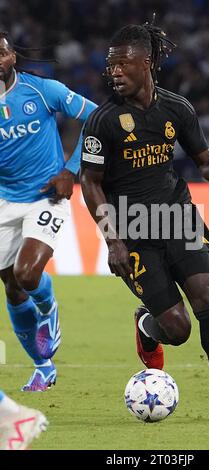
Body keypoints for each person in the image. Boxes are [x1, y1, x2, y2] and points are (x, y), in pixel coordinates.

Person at [80, 22, 209, 422]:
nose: (115, 72)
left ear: (149, 63)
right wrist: (113, 241)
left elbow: (203, 161)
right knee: (177, 329)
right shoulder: (103, 121)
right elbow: (90, 183)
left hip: (177, 217)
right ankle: (147, 323)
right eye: (111, 66)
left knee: (206, 297)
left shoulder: (178, 108)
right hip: (134, 231)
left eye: (123, 63)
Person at [0, 32, 97, 391]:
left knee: (27, 274)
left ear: (13, 57)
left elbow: (97, 119)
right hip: (4, 200)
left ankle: (49, 306)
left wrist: (71, 170)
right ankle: (43, 366)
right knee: (11, 287)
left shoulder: (43, 90)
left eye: (1, 51)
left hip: (46, 195)